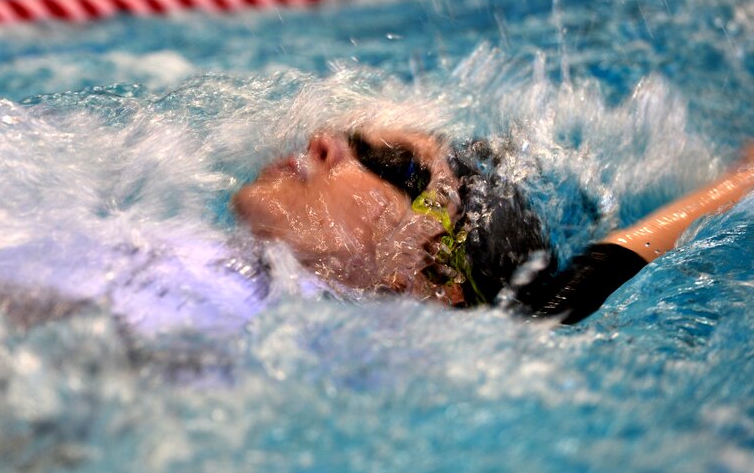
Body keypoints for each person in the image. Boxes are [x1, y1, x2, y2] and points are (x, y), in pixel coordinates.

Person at [232, 128, 754, 324]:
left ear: (436, 267)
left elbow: (619, 259)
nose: (323, 139)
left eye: (386, 160)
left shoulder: (521, 339)